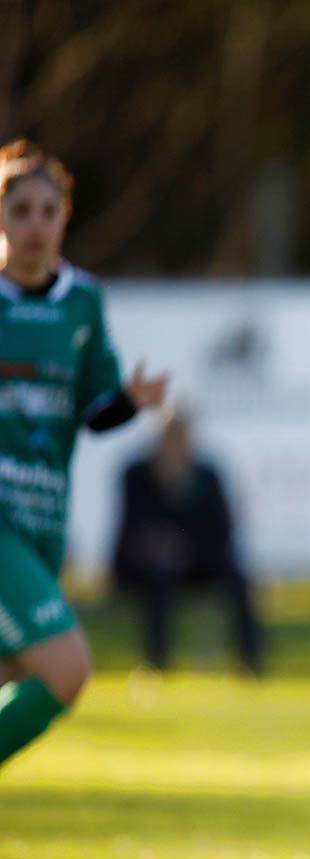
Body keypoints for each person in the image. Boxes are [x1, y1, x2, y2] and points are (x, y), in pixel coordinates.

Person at [0, 139, 168, 769]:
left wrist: (128, 400)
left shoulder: (83, 302)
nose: (36, 225)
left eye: (49, 211)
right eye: (21, 211)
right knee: (67, 668)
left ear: (64, 218)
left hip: (42, 521)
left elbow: (95, 413)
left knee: (19, 668)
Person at [111, 409, 264, 675]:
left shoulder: (207, 475)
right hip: (148, 567)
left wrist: (186, 546)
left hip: (198, 563)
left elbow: (222, 530)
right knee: (158, 578)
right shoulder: (136, 474)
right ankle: (156, 663)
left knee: (238, 579)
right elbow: (131, 531)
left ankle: (250, 662)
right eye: (168, 436)